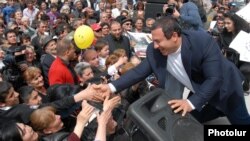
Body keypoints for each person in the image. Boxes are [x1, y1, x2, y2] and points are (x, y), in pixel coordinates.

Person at [95, 16, 250, 124]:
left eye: (158, 41)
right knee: (190, 122)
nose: (154, 46)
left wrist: (190, 102)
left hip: (226, 90)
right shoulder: (155, 50)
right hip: (199, 89)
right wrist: (110, 87)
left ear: (174, 36)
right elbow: (138, 72)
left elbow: (215, 79)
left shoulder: (202, 42)